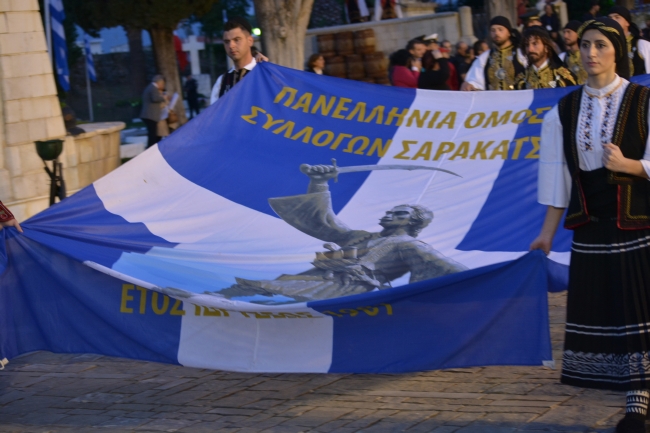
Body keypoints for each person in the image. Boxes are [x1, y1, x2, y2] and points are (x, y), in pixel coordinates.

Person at [530, 17, 650, 433]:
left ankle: (637, 401)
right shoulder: (563, 111)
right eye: (584, 45)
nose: (591, 53)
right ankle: (634, 393)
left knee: (640, 312)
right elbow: (557, 178)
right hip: (592, 226)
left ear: (618, 51)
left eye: (600, 45)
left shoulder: (643, 100)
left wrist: (630, 165)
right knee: (612, 314)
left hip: (639, 223)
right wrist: (546, 234)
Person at [218, 163, 467, 301]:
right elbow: (324, 222)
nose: (390, 214)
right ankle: (214, 304)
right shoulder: (361, 236)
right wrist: (319, 182)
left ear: (413, 223)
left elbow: (450, 269)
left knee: (271, 296)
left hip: (345, 290)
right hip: (313, 278)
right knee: (255, 289)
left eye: (400, 213)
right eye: (390, 211)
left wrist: (483, 278)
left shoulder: (410, 245)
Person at [210, 17, 267, 105]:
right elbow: (214, 112)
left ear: (250, 41)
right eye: (227, 42)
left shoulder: (265, 74)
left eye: (237, 40)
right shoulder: (222, 81)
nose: (231, 45)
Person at [462, 16, 527, 91]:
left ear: (509, 33)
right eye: (493, 30)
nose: (496, 33)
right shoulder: (485, 57)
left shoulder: (521, 53)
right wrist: (469, 84)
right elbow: (473, 80)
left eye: (500, 30)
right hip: (493, 98)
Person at [608, 6, 650, 77]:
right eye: (610, 18)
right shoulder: (606, 44)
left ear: (627, 22)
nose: (612, 21)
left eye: (617, 17)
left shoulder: (642, 44)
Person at [140, 74, 168, 149]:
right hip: (150, 115)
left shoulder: (150, 87)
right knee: (152, 135)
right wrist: (163, 98)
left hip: (148, 115)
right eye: (162, 84)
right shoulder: (153, 88)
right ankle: (151, 149)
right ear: (159, 82)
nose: (162, 85)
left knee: (152, 134)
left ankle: (151, 148)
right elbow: (155, 98)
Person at [559, 20, 588, 85]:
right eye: (564, 32)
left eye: (569, 32)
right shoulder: (563, 57)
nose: (565, 36)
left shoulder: (588, 55)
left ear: (578, 33)